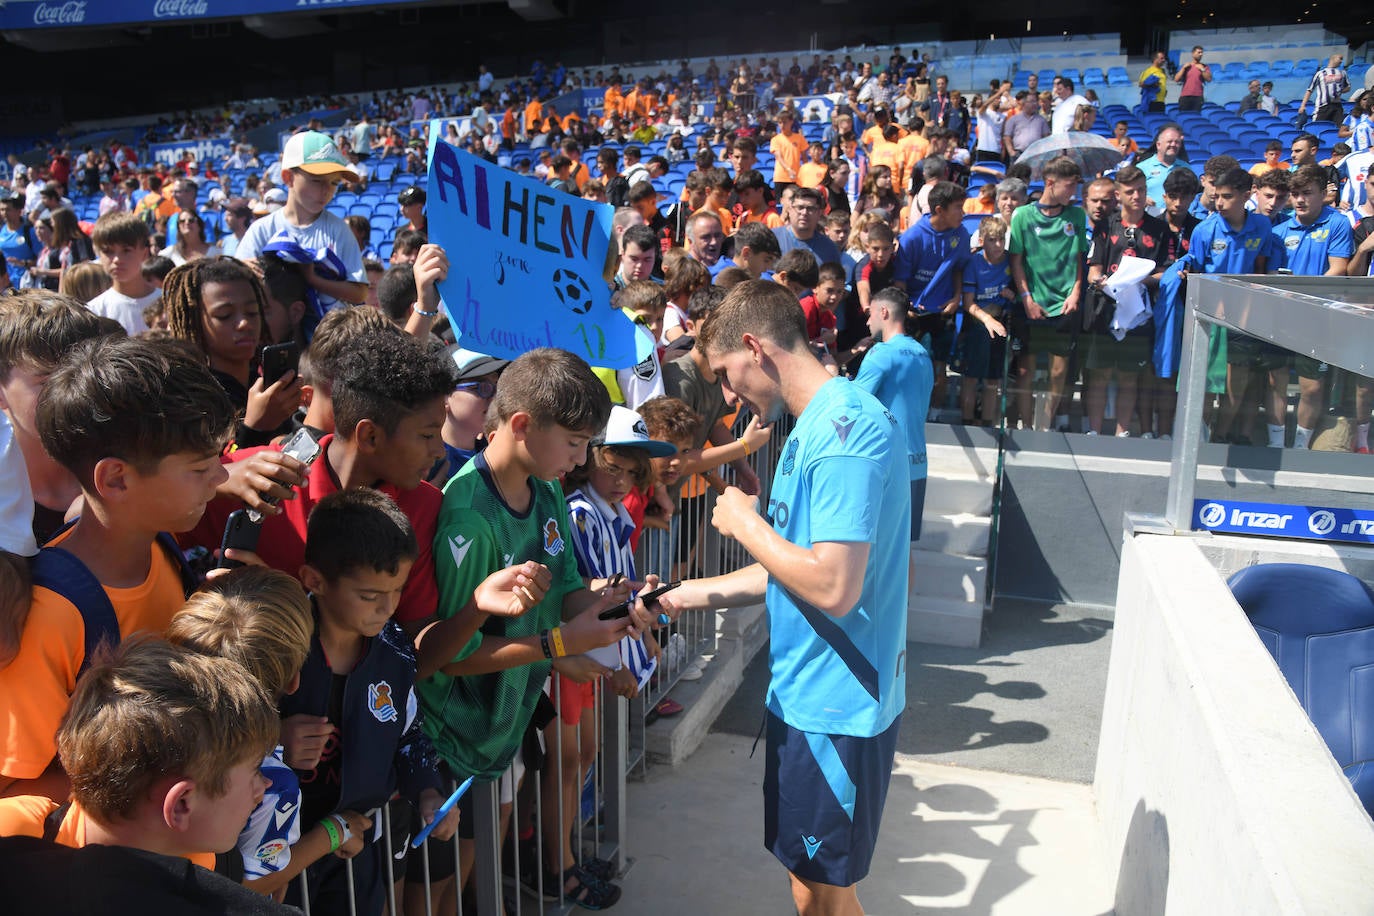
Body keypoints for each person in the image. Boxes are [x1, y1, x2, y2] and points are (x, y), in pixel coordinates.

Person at [654, 279, 909, 916]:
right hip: (807, 698)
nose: (727, 394)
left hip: (837, 707)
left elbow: (832, 585)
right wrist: (683, 594)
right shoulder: (811, 426)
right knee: (812, 885)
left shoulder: (843, 435)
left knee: (823, 895)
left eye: (725, 375)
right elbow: (791, 571)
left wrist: (745, 525)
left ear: (753, 347)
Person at [417, 348, 646, 907]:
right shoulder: (468, 515)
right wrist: (558, 645)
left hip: (504, 727)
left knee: (473, 876)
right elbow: (453, 655)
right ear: (522, 425)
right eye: (574, 443)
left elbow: (568, 588)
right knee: (433, 893)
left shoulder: (547, 490)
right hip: (451, 742)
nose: (581, 458)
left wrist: (619, 599)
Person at [0, 336, 234, 800]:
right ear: (116, 478)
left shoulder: (164, 550)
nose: (222, 477)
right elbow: (14, 787)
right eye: (200, 467)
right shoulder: (51, 617)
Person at [0, 637, 293, 916]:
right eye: (255, 769)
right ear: (181, 805)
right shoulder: (11, 833)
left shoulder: (202, 860)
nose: (263, 787)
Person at [279, 488, 458, 915]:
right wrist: (274, 736)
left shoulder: (394, 651)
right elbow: (225, 739)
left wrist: (429, 792)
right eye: (369, 595)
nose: (387, 608)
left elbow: (408, 733)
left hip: (359, 847)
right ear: (314, 580)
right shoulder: (275, 648)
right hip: (284, 850)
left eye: (396, 591)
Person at [166, 566, 371, 895]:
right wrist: (333, 833)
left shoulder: (148, 726)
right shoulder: (272, 783)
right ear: (293, 681)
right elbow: (253, 885)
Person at [163, 258, 304, 450]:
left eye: (253, 312)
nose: (244, 323)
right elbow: (213, 476)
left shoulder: (263, 382)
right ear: (195, 322)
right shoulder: (189, 401)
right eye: (225, 315)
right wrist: (255, 428)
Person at [233, 131, 367, 317]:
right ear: (288, 177)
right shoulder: (262, 229)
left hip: (328, 340)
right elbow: (237, 280)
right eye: (316, 181)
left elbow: (359, 292)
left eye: (334, 182)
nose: (326, 190)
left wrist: (311, 279)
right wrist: (243, 270)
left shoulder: (338, 229)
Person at [1270, 165, 1354, 448]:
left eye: (1307, 193)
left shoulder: (1337, 223)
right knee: (1275, 383)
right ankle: (1275, 444)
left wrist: (1303, 292)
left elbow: (1339, 268)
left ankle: (1300, 447)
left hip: (1319, 319)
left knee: (1313, 388)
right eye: (1295, 194)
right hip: (1280, 318)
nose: (1300, 200)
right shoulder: (1279, 230)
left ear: (1323, 194)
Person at [1083, 165, 1168, 437]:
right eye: (1130, 192)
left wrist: (1141, 280)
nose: (1137, 196)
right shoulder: (1106, 226)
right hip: (1106, 309)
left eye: (1141, 190)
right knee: (1101, 374)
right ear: (1118, 195)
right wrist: (1103, 282)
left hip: (1140, 311)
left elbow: (1165, 271)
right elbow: (1093, 271)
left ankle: (1123, 433)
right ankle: (1094, 431)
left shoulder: (1159, 228)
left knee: (1130, 377)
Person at [1008, 155, 1088, 431]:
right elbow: (1016, 260)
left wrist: (1076, 291)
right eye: (1069, 186)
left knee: (1058, 371)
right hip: (1032, 304)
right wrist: (1027, 298)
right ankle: (1026, 424)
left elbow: (1080, 258)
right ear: (1050, 183)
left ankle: (1044, 424)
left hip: (1064, 304)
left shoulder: (1076, 215)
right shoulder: (1023, 215)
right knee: (1025, 370)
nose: (1073, 193)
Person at [855, 284, 934, 558]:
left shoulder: (881, 353)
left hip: (888, 465)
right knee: (902, 555)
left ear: (884, 312)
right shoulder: (924, 355)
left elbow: (853, 405)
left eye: (870, 314)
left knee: (876, 554)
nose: (867, 321)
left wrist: (831, 373)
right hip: (918, 464)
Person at [894, 181, 971, 417]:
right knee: (911, 368)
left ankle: (935, 415)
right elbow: (900, 281)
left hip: (943, 311)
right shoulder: (912, 238)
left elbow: (958, 268)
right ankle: (907, 414)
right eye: (958, 207)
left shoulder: (961, 233)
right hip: (914, 313)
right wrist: (905, 308)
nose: (963, 213)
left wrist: (956, 296)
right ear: (939, 210)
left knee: (940, 369)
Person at [956, 216, 1014, 426]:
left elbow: (1021, 290)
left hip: (1002, 322)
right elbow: (968, 303)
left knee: (993, 380)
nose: (997, 245)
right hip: (979, 324)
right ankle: (968, 422)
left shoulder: (1011, 260)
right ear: (981, 240)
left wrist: (1012, 294)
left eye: (1000, 239)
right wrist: (988, 319)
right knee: (971, 377)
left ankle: (988, 423)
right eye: (991, 240)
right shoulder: (974, 263)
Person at [86, 211, 160, 336]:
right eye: (108, 251)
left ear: (144, 253)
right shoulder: (94, 311)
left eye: (126, 250)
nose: (117, 260)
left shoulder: (167, 302)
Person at [773, 187, 843, 265]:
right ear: (790, 210)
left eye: (811, 208)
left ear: (819, 213)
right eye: (800, 207)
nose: (804, 213)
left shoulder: (829, 249)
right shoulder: (773, 239)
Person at [1137, 123, 1188, 215]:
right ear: (1158, 145)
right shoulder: (1142, 168)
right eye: (1169, 141)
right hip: (1150, 217)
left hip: (1177, 218)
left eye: (1177, 142)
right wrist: (1142, 199)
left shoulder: (1186, 168)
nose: (1173, 145)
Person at [1300, 53, 1349, 125]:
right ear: (1333, 58)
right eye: (1340, 58)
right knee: (1319, 126)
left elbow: (1348, 87)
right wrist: (1303, 105)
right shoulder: (1320, 73)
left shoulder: (1343, 73)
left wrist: (1340, 90)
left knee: (1338, 128)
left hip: (1337, 106)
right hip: (1322, 106)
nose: (1341, 61)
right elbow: (1310, 89)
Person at [1174, 45, 1212, 112]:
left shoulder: (1204, 66)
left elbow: (1209, 79)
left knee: (1196, 117)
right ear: (1193, 53)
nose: (1201, 54)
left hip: (1198, 96)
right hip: (1185, 96)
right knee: (1183, 117)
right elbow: (1176, 79)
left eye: (1202, 53)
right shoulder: (1186, 66)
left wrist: (1202, 69)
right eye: (1199, 52)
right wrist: (1183, 68)